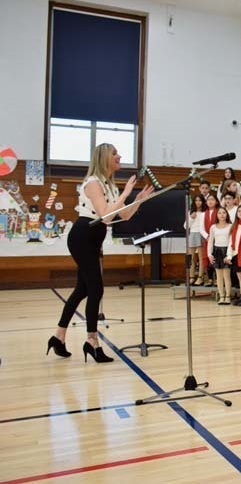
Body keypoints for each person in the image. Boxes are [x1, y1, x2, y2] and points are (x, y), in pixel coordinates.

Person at [48, 143, 153, 362]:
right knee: (96, 288)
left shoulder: (110, 185)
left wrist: (138, 199)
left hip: (94, 239)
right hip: (82, 236)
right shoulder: (93, 183)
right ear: (104, 157)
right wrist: (125, 193)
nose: (119, 156)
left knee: (82, 290)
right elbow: (105, 216)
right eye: (115, 153)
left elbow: (123, 216)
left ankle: (58, 336)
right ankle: (92, 340)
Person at [207, 207, 233, 306]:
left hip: (226, 251)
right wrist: (209, 254)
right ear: (217, 215)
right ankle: (221, 296)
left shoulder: (230, 226)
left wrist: (229, 255)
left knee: (226, 275)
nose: (222, 215)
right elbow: (210, 241)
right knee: (219, 276)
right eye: (220, 213)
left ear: (227, 215)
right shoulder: (213, 227)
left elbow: (231, 241)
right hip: (217, 251)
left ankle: (228, 296)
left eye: (224, 213)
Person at [186, 194, 208, 285]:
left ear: (203, 202)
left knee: (201, 257)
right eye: (196, 200)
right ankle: (191, 277)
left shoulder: (205, 212)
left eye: (200, 200)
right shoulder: (190, 212)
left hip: (201, 234)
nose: (198, 202)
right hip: (192, 234)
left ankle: (200, 277)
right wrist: (191, 218)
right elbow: (185, 226)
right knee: (191, 257)